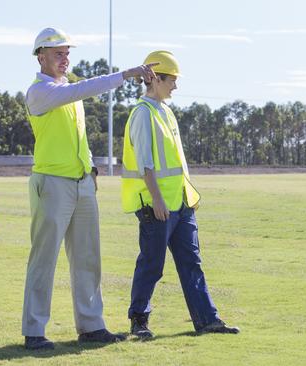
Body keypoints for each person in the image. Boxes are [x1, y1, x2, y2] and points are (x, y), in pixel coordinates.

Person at [22, 27, 157, 350]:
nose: (64, 59)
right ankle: (34, 330)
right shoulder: (39, 92)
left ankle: (91, 325)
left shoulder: (67, 91)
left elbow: (78, 135)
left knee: (88, 258)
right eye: (58, 54)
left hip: (81, 183)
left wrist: (92, 168)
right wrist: (125, 74)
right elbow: (83, 90)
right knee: (44, 259)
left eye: (67, 53)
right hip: (52, 183)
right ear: (40, 56)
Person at [121, 50, 239, 340]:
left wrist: (187, 199)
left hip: (181, 205)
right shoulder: (142, 114)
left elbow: (175, 163)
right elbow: (146, 163)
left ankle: (207, 320)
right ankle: (139, 321)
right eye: (171, 80)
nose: (175, 85)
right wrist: (158, 199)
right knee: (152, 265)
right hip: (157, 206)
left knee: (192, 263)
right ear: (154, 78)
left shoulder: (167, 112)